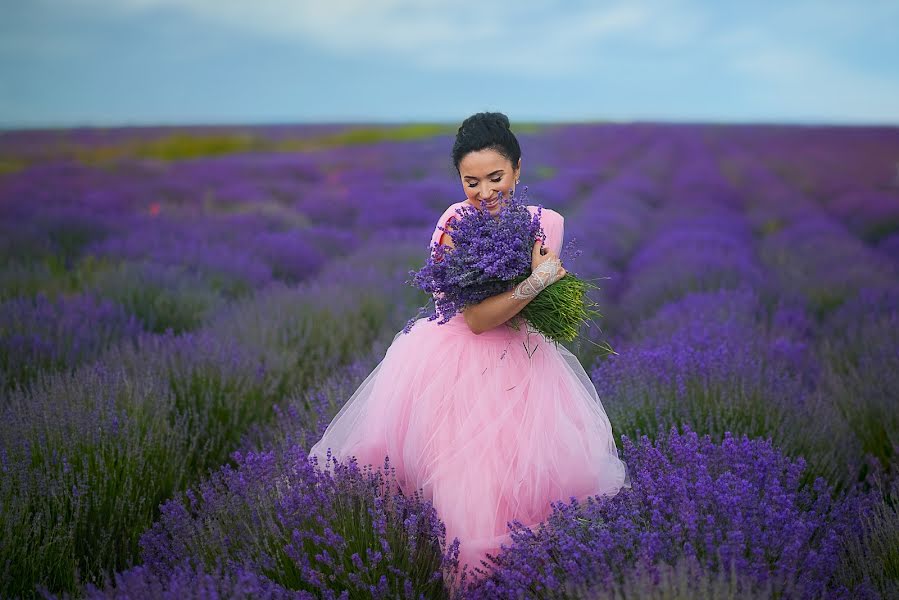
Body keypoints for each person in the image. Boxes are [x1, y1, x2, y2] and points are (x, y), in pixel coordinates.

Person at [307, 111, 631, 588]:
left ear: (518, 169)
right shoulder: (452, 224)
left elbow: (537, 314)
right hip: (457, 368)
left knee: (533, 491)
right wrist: (540, 279)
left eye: (496, 177)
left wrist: (540, 291)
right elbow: (477, 320)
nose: (484, 193)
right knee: (469, 499)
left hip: (525, 366)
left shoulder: (549, 224)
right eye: (471, 181)